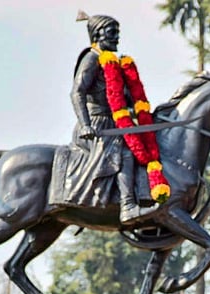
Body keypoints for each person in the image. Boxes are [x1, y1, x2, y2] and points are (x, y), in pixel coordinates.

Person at [71, 12, 159, 225]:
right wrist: (85, 125)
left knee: (145, 147)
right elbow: (77, 92)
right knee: (126, 153)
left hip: (117, 122)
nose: (117, 37)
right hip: (97, 124)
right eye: (112, 33)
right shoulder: (91, 58)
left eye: (117, 33)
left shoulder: (116, 62)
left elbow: (121, 98)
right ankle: (128, 206)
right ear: (97, 35)